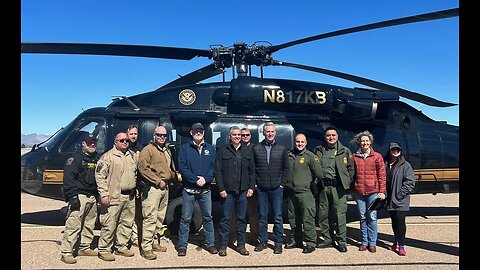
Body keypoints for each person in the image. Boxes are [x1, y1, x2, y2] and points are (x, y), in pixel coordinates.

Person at [95, 132, 138, 261]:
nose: (125, 142)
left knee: (126, 223)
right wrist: (104, 194)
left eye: (126, 140)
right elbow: (100, 176)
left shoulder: (132, 156)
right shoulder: (107, 157)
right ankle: (104, 249)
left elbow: (134, 174)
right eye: (122, 140)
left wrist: (135, 188)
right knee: (109, 223)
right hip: (113, 196)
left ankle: (121, 246)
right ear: (115, 142)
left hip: (129, 197)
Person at [177, 123, 218, 256]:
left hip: (205, 190)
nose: (198, 132)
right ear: (191, 132)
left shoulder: (211, 149)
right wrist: (195, 179)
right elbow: (182, 167)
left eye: (200, 130)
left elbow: (215, 167)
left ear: (204, 132)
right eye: (195, 130)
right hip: (189, 190)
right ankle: (182, 246)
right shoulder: (185, 148)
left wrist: (205, 179)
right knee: (185, 218)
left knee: (208, 218)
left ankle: (210, 244)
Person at [137, 125, 177, 260]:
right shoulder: (147, 150)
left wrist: (175, 176)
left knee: (160, 218)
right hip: (153, 188)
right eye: (159, 135)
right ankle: (146, 248)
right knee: (150, 217)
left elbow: (167, 168)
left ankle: (154, 241)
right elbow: (143, 168)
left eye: (164, 135)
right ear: (154, 135)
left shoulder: (166, 150)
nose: (162, 138)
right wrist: (157, 180)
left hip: (165, 188)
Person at [215, 126, 255, 256]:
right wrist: (221, 188)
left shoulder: (248, 151)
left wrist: (251, 187)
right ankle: (223, 245)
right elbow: (218, 171)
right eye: (235, 135)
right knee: (226, 219)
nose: (238, 137)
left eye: (239, 135)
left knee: (242, 219)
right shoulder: (222, 150)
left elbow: (252, 171)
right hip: (228, 192)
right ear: (230, 136)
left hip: (243, 191)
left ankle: (241, 245)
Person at [313, 126, 354, 253]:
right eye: (328, 135)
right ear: (325, 137)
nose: (331, 137)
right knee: (323, 215)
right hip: (323, 188)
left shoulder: (345, 151)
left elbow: (351, 169)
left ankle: (341, 241)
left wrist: (347, 183)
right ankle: (327, 238)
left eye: (333, 135)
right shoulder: (319, 151)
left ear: (337, 137)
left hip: (338, 188)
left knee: (339, 215)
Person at [60, 133, 100, 264]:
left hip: (92, 196)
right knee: (73, 225)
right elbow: (68, 179)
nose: (92, 144)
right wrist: (72, 196)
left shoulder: (96, 158)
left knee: (89, 224)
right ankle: (66, 252)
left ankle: (84, 247)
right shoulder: (75, 158)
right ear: (83, 143)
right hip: (80, 196)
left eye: (94, 142)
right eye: (89, 142)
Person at [252, 122, 289, 254]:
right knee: (262, 216)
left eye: (272, 131)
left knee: (278, 217)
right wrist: (256, 184)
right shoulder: (256, 148)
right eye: (267, 131)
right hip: (261, 188)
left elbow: (286, 169)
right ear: (263, 133)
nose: (270, 134)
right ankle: (263, 241)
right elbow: (254, 168)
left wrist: (281, 184)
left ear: (275, 133)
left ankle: (278, 243)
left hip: (276, 188)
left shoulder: (282, 148)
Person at [285, 133, 323, 254]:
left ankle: (311, 242)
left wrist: (311, 185)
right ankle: (296, 240)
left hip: (305, 193)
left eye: (302, 142)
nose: (299, 144)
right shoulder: (289, 155)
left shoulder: (310, 156)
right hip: (291, 193)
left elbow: (319, 174)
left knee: (308, 218)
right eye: (297, 142)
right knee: (293, 218)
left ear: (306, 143)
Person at [351, 130, 386, 253]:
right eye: (362, 141)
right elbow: (352, 175)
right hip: (359, 192)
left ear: (370, 142)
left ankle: (372, 242)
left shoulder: (377, 156)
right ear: (359, 143)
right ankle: (364, 242)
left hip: (373, 191)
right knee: (362, 217)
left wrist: (382, 191)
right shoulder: (354, 157)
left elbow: (382, 175)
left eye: (367, 140)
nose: (364, 143)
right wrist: (352, 190)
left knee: (372, 217)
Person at [384, 142, 415, 256]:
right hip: (389, 199)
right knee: (394, 222)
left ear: (400, 151)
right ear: (390, 151)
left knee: (400, 223)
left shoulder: (405, 165)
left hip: (400, 200)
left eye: (397, 149)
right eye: (393, 149)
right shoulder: (386, 163)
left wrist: (399, 194)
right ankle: (395, 243)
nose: (395, 151)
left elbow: (410, 182)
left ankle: (401, 246)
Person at [229, 127, 259, 245]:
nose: (244, 137)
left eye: (247, 135)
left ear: (250, 136)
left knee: (252, 213)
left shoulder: (255, 149)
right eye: (242, 135)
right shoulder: (236, 148)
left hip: (250, 186)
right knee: (235, 214)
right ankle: (233, 237)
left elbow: (255, 168)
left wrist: (253, 185)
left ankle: (253, 236)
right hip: (237, 186)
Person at [126, 124, 144, 248]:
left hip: (136, 186)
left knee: (137, 214)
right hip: (124, 185)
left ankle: (135, 237)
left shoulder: (140, 148)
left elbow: (141, 169)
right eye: (131, 133)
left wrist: (140, 186)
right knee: (125, 215)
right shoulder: (122, 147)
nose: (133, 136)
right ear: (127, 133)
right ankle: (124, 239)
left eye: (135, 134)